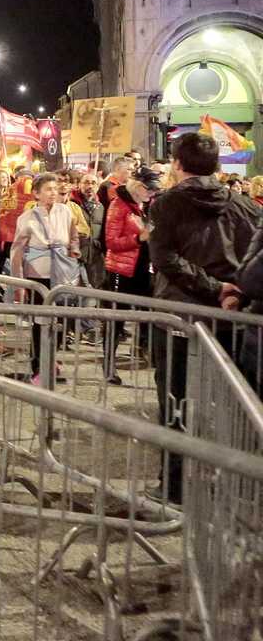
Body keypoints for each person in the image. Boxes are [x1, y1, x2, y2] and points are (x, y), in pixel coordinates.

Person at [149, 132, 259, 502]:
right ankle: (231, 483)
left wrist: (217, 289)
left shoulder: (166, 204)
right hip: (228, 317)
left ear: (177, 164)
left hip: (182, 317)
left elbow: (164, 259)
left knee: (176, 403)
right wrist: (231, 291)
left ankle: (176, 488)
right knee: (229, 404)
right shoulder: (247, 206)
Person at [11, 173, 81, 383]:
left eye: (55, 188)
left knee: (60, 321)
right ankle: (37, 368)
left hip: (61, 275)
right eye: (48, 189)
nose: (53, 193)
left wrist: (73, 252)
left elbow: (74, 236)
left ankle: (52, 362)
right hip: (37, 276)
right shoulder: (27, 218)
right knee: (40, 323)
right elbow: (17, 251)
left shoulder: (66, 211)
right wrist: (19, 282)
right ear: (36, 194)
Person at [103, 165, 162, 383]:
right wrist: (139, 239)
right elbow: (110, 242)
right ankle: (109, 365)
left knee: (147, 314)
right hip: (121, 270)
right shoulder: (118, 205)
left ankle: (144, 352)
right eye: (149, 190)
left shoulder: (142, 205)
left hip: (142, 269)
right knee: (116, 321)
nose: (152, 194)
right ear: (138, 186)